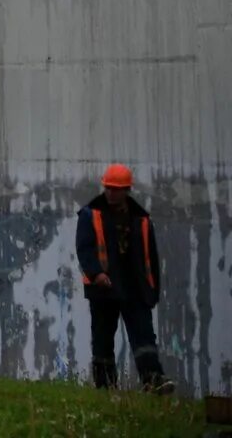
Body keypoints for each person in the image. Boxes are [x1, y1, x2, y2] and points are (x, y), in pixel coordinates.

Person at [76, 163, 174, 392]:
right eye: (108, 188)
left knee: (144, 337)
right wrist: (96, 273)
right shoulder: (91, 214)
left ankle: (153, 379)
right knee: (102, 339)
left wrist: (152, 291)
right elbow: (84, 248)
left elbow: (151, 257)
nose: (111, 192)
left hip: (134, 288)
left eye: (116, 189)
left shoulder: (141, 219)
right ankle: (105, 386)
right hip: (104, 289)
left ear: (127, 189)